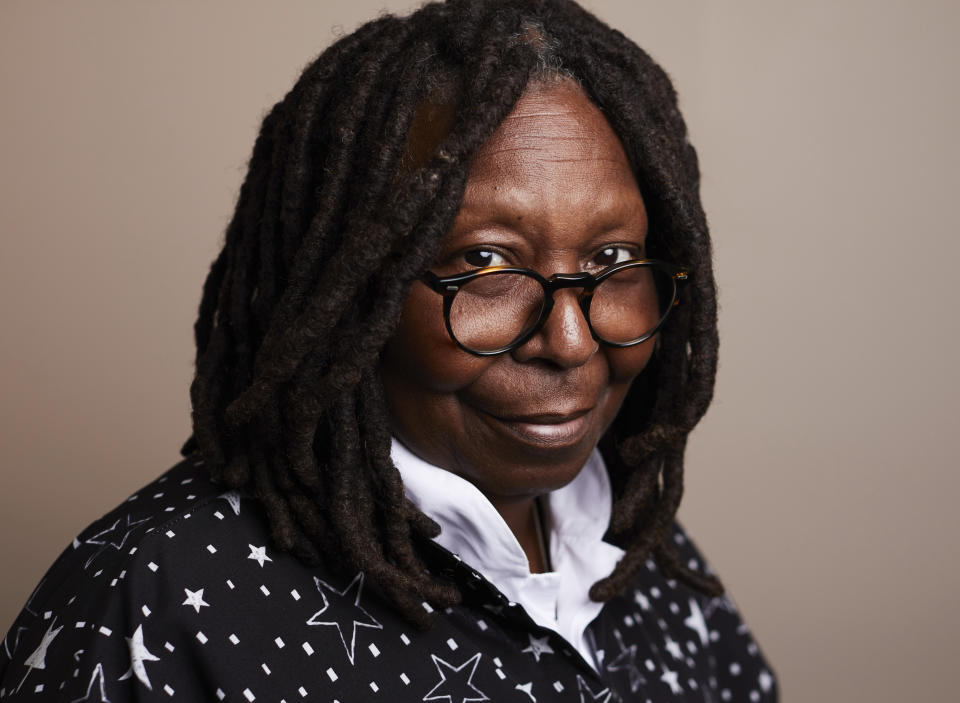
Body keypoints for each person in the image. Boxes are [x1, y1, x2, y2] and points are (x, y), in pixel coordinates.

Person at [0, 0, 776, 700]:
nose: (570, 342)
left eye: (610, 262)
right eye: (486, 265)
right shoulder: (157, 594)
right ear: (348, 289)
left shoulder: (641, 548)